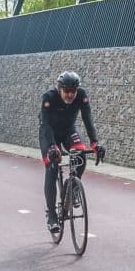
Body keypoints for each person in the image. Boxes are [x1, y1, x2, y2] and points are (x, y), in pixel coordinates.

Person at [38, 70, 104, 234]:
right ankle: (52, 215)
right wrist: (53, 147)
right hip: (50, 133)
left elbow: (88, 119)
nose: (70, 95)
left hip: (69, 131)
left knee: (80, 154)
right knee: (52, 168)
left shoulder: (81, 96)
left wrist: (95, 142)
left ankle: (72, 186)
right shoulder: (49, 97)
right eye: (66, 91)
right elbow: (45, 125)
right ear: (59, 89)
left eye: (73, 91)